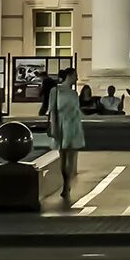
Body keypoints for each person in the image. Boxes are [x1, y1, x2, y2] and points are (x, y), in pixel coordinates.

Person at [45, 68, 85, 203]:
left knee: (71, 157)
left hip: (73, 126)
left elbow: (77, 111)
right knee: (63, 157)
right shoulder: (55, 91)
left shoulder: (74, 93)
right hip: (62, 126)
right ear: (69, 76)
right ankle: (65, 183)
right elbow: (53, 111)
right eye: (75, 76)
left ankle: (67, 185)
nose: (77, 79)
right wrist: (55, 126)